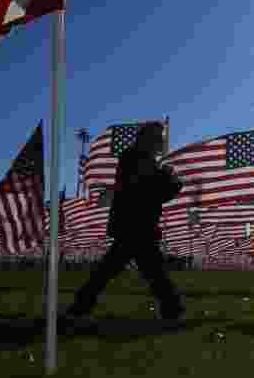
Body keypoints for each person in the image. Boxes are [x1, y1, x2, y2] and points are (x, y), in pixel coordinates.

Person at [62, 122, 187, 324]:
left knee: (116, 270)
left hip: (136, 225)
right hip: (136, 225)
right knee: (151, 271)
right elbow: (148, 191)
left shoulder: (139, 159)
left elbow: (154, 193)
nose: (161, 143)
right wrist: (170, 178)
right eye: (158, 138)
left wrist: (170, 180)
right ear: (148, 139)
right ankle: (173, 310)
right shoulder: (136, 158)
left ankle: (80, 306)